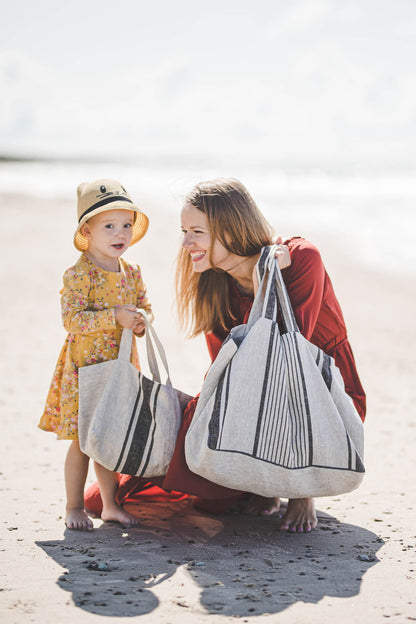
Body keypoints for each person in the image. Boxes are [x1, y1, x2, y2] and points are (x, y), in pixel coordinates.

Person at [84, 177, 366, 533]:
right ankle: (263, 484)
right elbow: (227, 376)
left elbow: (286, 359)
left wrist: (300, 492)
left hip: (321, 401)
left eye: (196, 232)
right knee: (115, 494)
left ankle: (295, 483)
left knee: (204, 468)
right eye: (184, 231)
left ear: (231, 230)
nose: (186, 243)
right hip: (253, 402)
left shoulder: (300, 259)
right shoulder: (215, 285)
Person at [39, 179, 153, 530]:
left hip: (119, 368)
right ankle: (74, 506)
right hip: (84, 370)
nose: (121, 233)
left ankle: (110, 505)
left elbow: (145, 307)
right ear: (87, 230)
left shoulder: (131, 272)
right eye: (109, 226)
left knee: (108, 439)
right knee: (82, 443)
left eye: (127, 225)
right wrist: (113, 317)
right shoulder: (80, 274)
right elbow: (71, 320)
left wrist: (139, 322)